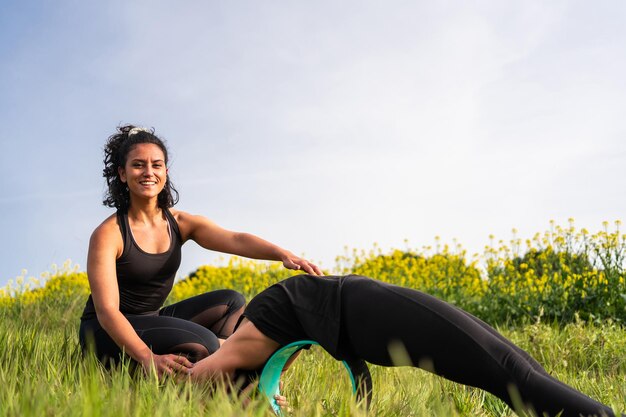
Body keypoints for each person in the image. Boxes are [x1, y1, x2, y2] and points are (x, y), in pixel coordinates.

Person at [190, 274, 624, 417]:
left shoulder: (254, 341)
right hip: (366, 310)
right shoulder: (242, 346)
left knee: (517, 367)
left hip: (365, 311)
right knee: (511, 374)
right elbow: (196, 378)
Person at [79, 124, 322, 379]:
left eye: (156, 165)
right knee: (203, 342)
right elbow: (107, 312)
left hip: (150, 319)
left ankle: (235, 374)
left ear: (166, 171)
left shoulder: (180, 223)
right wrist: (147, 357)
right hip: (103, 333)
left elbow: (236, 239)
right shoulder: (109, 234)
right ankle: (230, 372)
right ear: (122, 173)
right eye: (138, 165)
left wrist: (282, 254)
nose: (148, 172)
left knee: (231, 302)